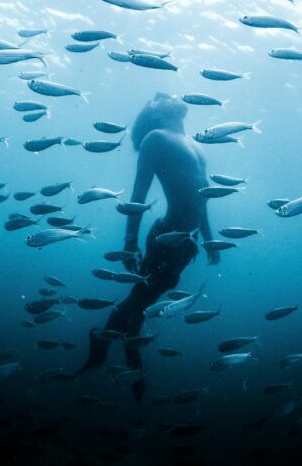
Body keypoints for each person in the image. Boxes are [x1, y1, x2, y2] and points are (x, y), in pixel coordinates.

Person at [77, 93, 219, 402]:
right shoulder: (156, 138)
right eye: (161, 98)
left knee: (142, 300)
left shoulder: (197, 145)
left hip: (185, 245)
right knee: (140, 298)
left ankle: (122, 349)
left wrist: (209, 238)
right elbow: (139, 192)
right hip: (166, 236)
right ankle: (113, 350)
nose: (170, 96)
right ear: (155, 112)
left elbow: (203, 196)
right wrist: (129, 242)